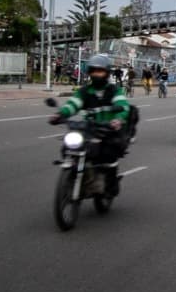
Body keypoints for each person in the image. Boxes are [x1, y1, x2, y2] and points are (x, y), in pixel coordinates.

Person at [46, 54, 131, 196]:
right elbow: (73, 104)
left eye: (100, 71)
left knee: (108, 153)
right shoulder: (85, 91)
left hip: (108, 129)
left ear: (107, 73)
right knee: (70, 146)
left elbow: (123, 105)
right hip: (89, 128)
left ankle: (109, 184)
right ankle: (76, 174)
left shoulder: (114, 90)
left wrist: (117, 119)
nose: (96, 74)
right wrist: (60, 114)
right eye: (93, 71)